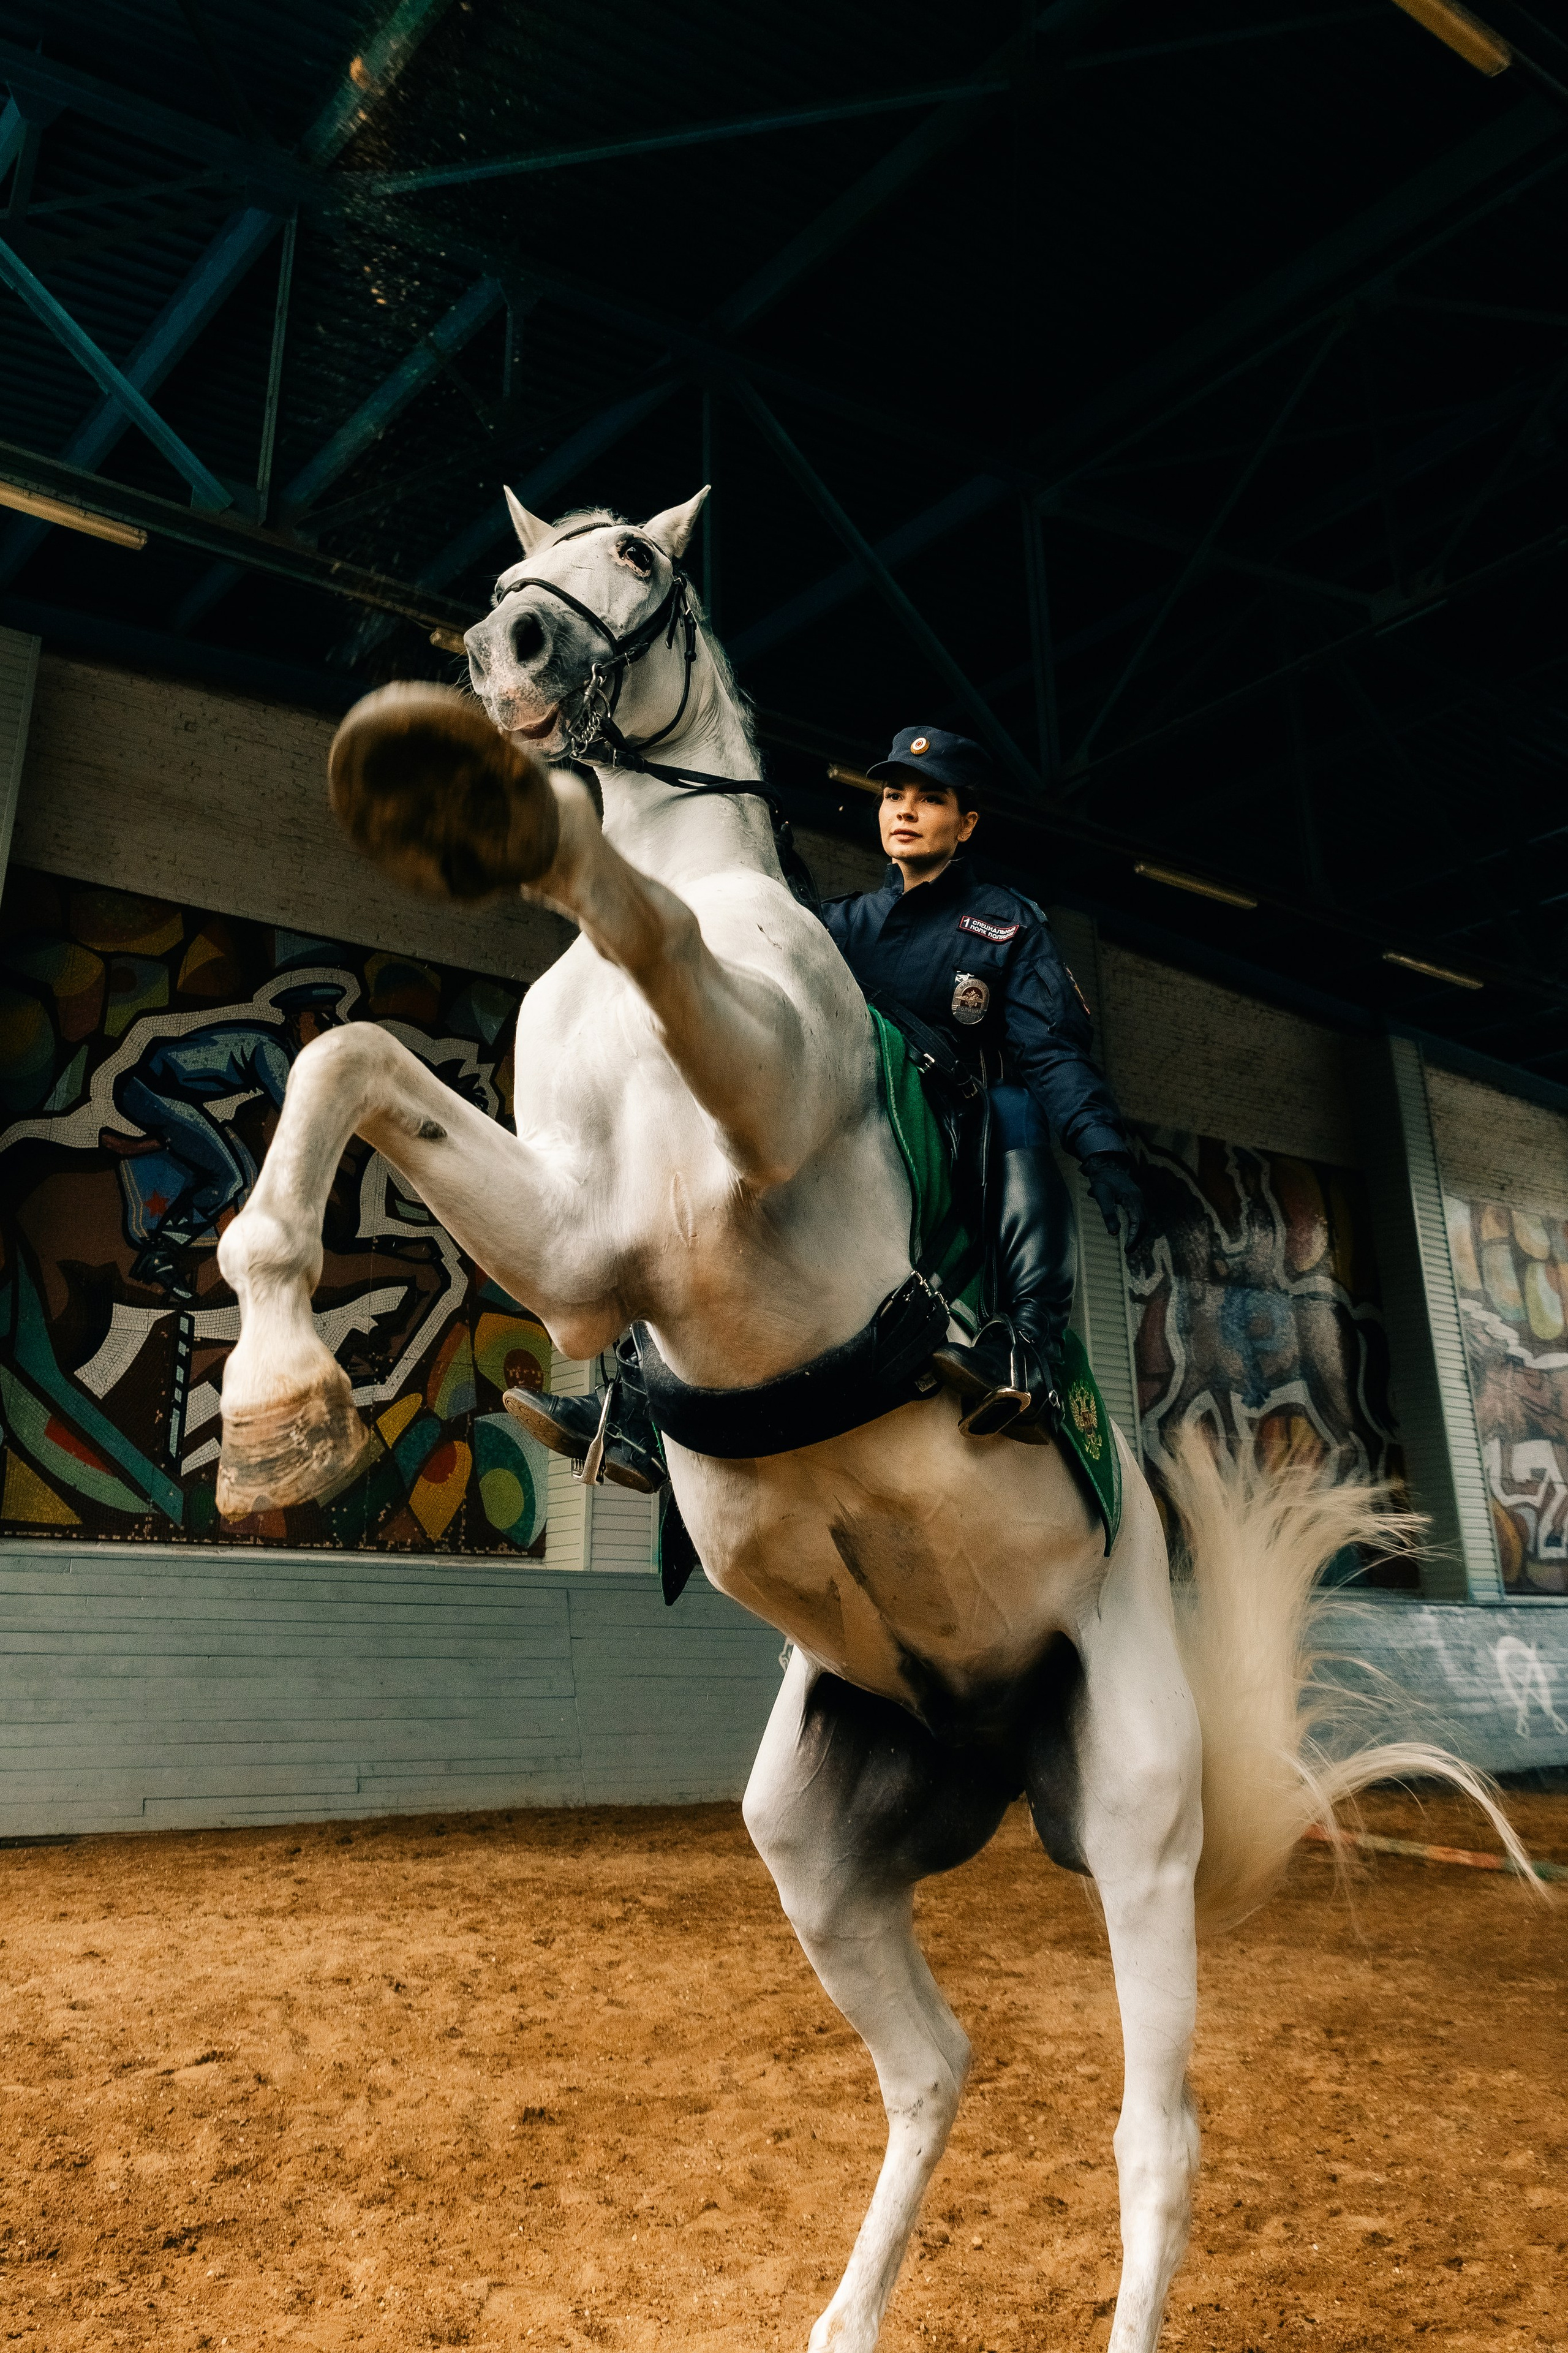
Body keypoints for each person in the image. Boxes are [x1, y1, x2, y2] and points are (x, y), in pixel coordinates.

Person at [504, 725, 1145, 1486]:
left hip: (950, 1127)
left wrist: (1104, 1150)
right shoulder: (828, 929)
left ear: (967, 823)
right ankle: (637, 1405)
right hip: (844, 1124)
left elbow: (1052, 1053)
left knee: (1017, 1104)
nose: (904, 811)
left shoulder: (1009, 926)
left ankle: (1027, 1349)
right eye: (892, 795)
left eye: (930, 798)